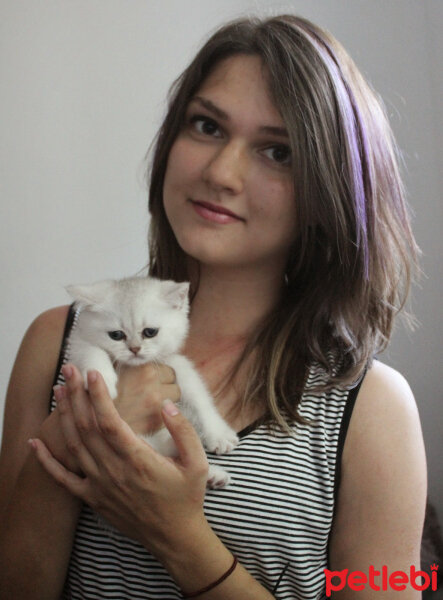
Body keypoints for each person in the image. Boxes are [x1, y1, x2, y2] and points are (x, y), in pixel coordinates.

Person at [0, 14, 427, 600]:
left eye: (278, 152)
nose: (221, 173)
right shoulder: (58, 340)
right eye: (206, 126)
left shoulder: (374, 409)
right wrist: (84, 431)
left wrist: (179, 536)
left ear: (327, 191)